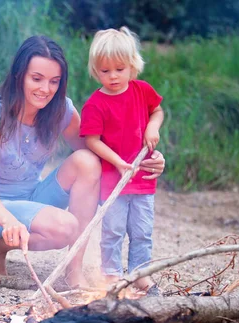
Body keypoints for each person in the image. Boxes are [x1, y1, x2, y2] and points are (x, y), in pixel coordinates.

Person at [0, 35, 165, 288]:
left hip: (32, 198)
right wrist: (9, 222)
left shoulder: (61, 111)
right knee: (64, 227)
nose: (45, 89)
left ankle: (73, 271)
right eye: (36, 79)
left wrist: (149, 159)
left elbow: (98, 159)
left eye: (54, 81)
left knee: (87, 161)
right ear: (19, 76)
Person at [80, 27, 164, 293]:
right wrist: (117, 161)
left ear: (132, 66)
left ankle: (140, 273)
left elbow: (158, 111)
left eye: (119, 69)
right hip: (113, 180)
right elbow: (91, 140)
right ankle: (112, 274)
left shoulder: (142, 91)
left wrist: (153, 127)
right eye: (105, 71)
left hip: (142, 178)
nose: (113, 76)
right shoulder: (95, 104)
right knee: (113, 231)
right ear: (96, 70)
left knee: (141, 231)